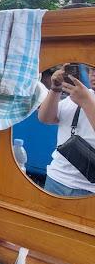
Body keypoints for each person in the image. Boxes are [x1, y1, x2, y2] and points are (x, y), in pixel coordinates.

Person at [38, 64, 95, 196]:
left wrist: (86, 102)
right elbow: (45, 118)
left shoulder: (83, 96)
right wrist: (55, 89)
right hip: (56, 179)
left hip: (90, 192)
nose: (93, 75)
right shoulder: (80, 94)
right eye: (92, 70)